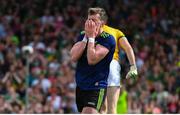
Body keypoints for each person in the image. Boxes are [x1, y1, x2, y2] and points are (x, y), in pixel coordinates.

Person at [70, 8, 115, 114]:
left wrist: (91, 38)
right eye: (89, 19)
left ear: (102, 24)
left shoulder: (108, 39)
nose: (90, 23)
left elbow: (92, 59)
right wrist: (86, 37)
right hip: (81, 86)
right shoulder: (82, 35)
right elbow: (73, 57)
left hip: (96, 86)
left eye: (94, 20)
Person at [100, 12, 138, 114]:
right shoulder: (117, 32)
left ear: (102, 22)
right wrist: (133, 67)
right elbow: (128, 48)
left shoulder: (90, 32)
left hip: (98, 67)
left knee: (102, 109)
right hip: (111, 64)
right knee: (111, 108)